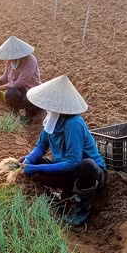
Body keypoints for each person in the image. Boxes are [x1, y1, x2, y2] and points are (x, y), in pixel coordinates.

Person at [19, 75, 107, 227]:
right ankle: (60, 196)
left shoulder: (74, 123)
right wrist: (28, 162)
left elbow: (73, 162)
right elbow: (41, 146)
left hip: (89, 175)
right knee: (25, 162)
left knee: (86, 165)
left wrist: (37, 167)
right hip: (67, 170)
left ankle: (81, 210)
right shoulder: (51, 119)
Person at [0, 35, 42, 121]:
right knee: (11, 94)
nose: (9, 59)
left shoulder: (30, 61)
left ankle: (27, 116)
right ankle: (19, 111)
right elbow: (6, 77)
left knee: (28, 101)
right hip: (18, 90)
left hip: (31, 90)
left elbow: (20, 83)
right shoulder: (10, 60)